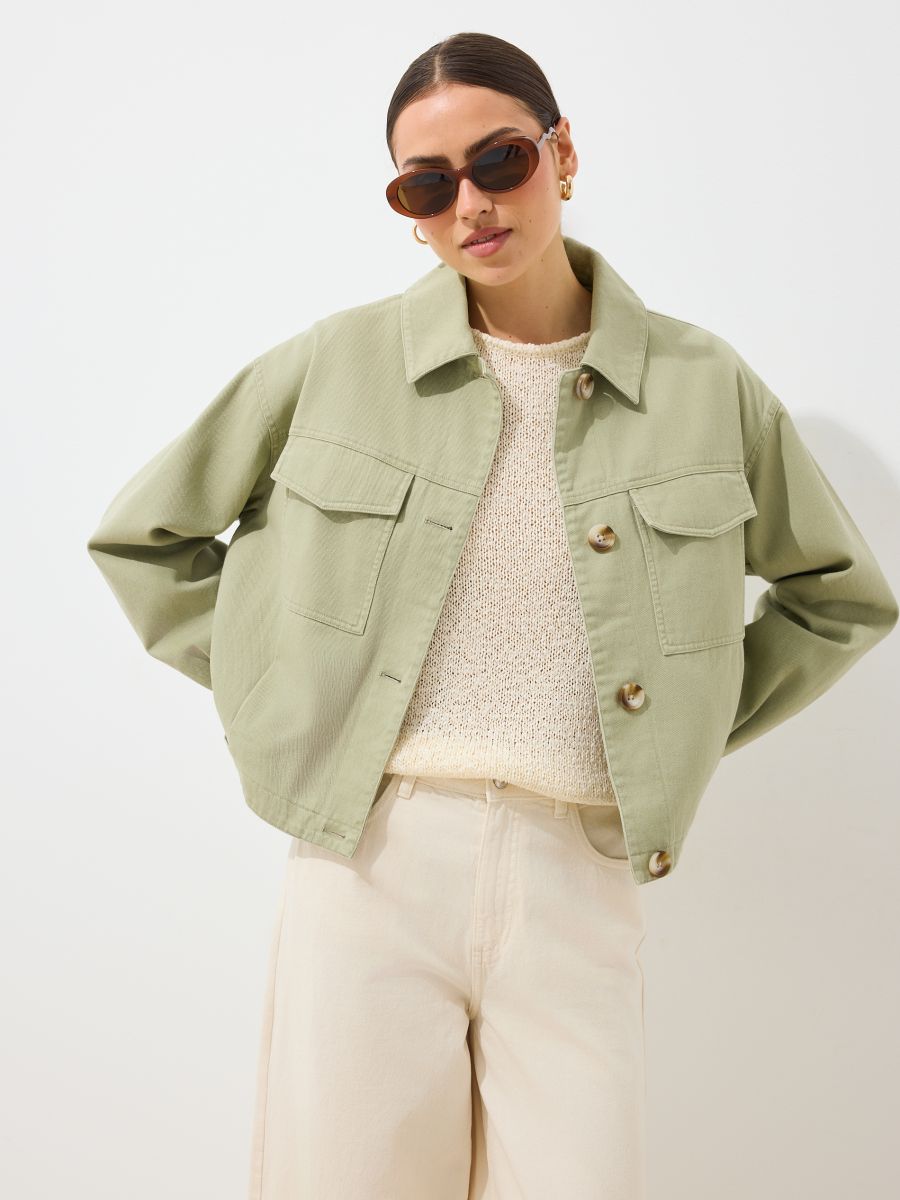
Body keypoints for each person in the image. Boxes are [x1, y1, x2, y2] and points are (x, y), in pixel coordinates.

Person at [86, 31, 898, 1200]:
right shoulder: (336, 364)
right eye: (427, 186)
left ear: (562, 153)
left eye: (499, 159)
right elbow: (144, 540)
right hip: (370, 861)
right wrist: (286, 686)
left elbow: (839, 595)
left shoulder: (701, 383)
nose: (470, 204)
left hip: (582, 868)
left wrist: (672, 724)